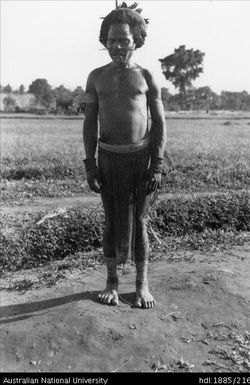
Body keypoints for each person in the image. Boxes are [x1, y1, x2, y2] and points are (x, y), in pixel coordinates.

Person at [83, 7, 166, 309]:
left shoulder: (146, 77)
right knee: (109, 221)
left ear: (137, 40)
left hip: (141, 161)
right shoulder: (96, 78)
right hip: (108, 160)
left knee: (139, 220)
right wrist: (90, 163)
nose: (117, 46)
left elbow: (158, 123)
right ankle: (112, 283)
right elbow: (90, 123)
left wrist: (156, 164)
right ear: (104, 41)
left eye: (124, 40)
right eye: (111, 40)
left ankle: (142, 285)